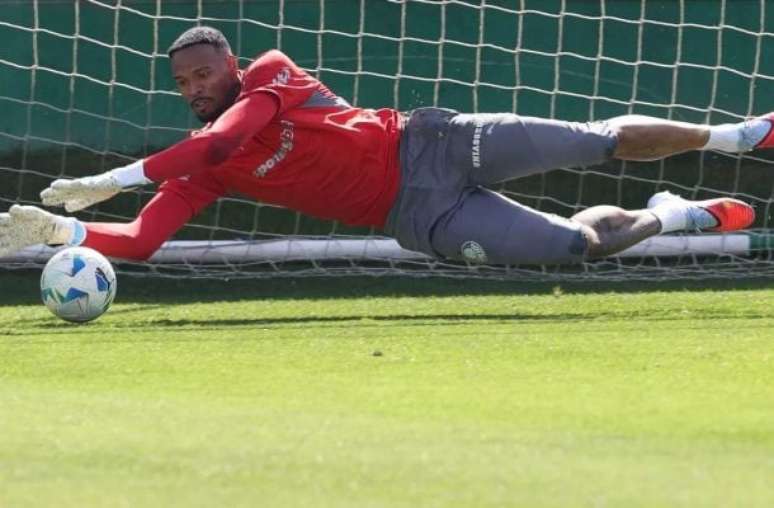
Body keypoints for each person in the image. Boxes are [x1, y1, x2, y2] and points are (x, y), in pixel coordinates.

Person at [0, 26, 764, 265]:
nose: (196, 88)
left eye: (204, 73)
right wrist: (62, 233)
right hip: (417, 216)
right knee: (575, 248)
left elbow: (225, 136)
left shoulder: (269, 75)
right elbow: (142, 240)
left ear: (230, 65)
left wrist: (117, 174)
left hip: (431, 145)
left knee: (596, 142)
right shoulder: (205, 163)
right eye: (184, 83)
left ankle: (736, 136)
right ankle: (675, 213)